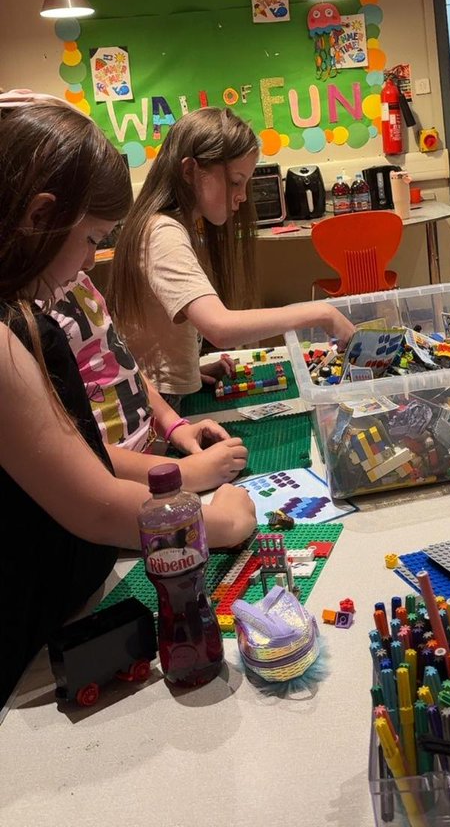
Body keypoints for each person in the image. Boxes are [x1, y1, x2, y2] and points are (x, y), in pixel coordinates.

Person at [0, 101, 256, 706]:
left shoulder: (24, 316)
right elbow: (94, 506)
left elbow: (80, 452)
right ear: (40, 217)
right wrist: (214, 521)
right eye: (90, 240)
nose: (91, 260)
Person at [108, 107, 354, 409]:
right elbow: (220, 327)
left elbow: (154, 338)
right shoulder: (162, 232)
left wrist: (189, 372)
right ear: (189, 172)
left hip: (164, 392)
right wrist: (322, 313)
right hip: (158, 407)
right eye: (236, 181)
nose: (243, 196)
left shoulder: (173, 226)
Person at [49, 270, 249, 490]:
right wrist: (185, 472)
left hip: (153, 458)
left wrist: (174, 427)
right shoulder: (28, 311)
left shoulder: (75, 276)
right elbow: (71, 450)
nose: (91, 261)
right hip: (119, 488)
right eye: (90, 239)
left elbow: (121, 362)